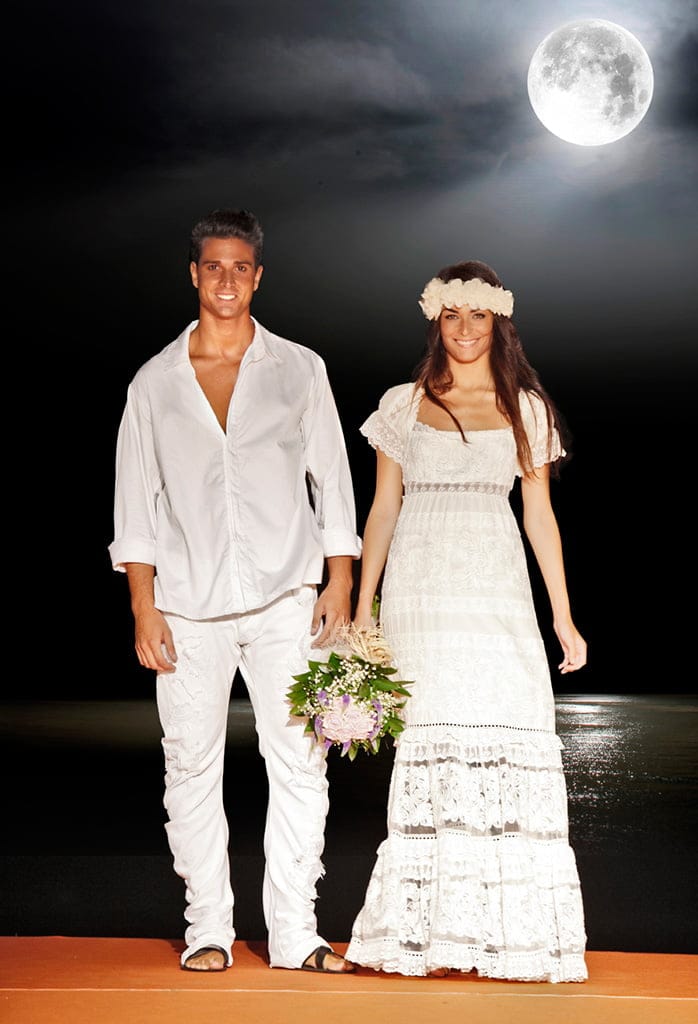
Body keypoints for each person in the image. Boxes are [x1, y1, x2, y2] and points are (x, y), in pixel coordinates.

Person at [108, 208, 361, 974]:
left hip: (289, 597)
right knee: (190, 765)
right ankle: (209, 928)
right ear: (194, 274)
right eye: (212, 266)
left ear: (258, 276)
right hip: (188, 603)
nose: (226, 280)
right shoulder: (154, 382)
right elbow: (136, 502)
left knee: (303, 762)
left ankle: (295, 933)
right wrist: (143, 606)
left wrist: (341, 578)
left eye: (239, 267)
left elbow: (333, 478)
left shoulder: (299, 369)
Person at [345, 260, 588, 982]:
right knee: (432, 743)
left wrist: (563, 616)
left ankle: (506, 937)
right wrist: (363, 607)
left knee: (506, 730)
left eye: (478, 315)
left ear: (498, 322)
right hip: (420, 595)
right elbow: (383, 508)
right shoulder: (402, 403)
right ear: (435, 322)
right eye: (451, 315)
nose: (464, 328)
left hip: (496, 592)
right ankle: (430, 936)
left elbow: (539, 515)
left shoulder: (526, 407)